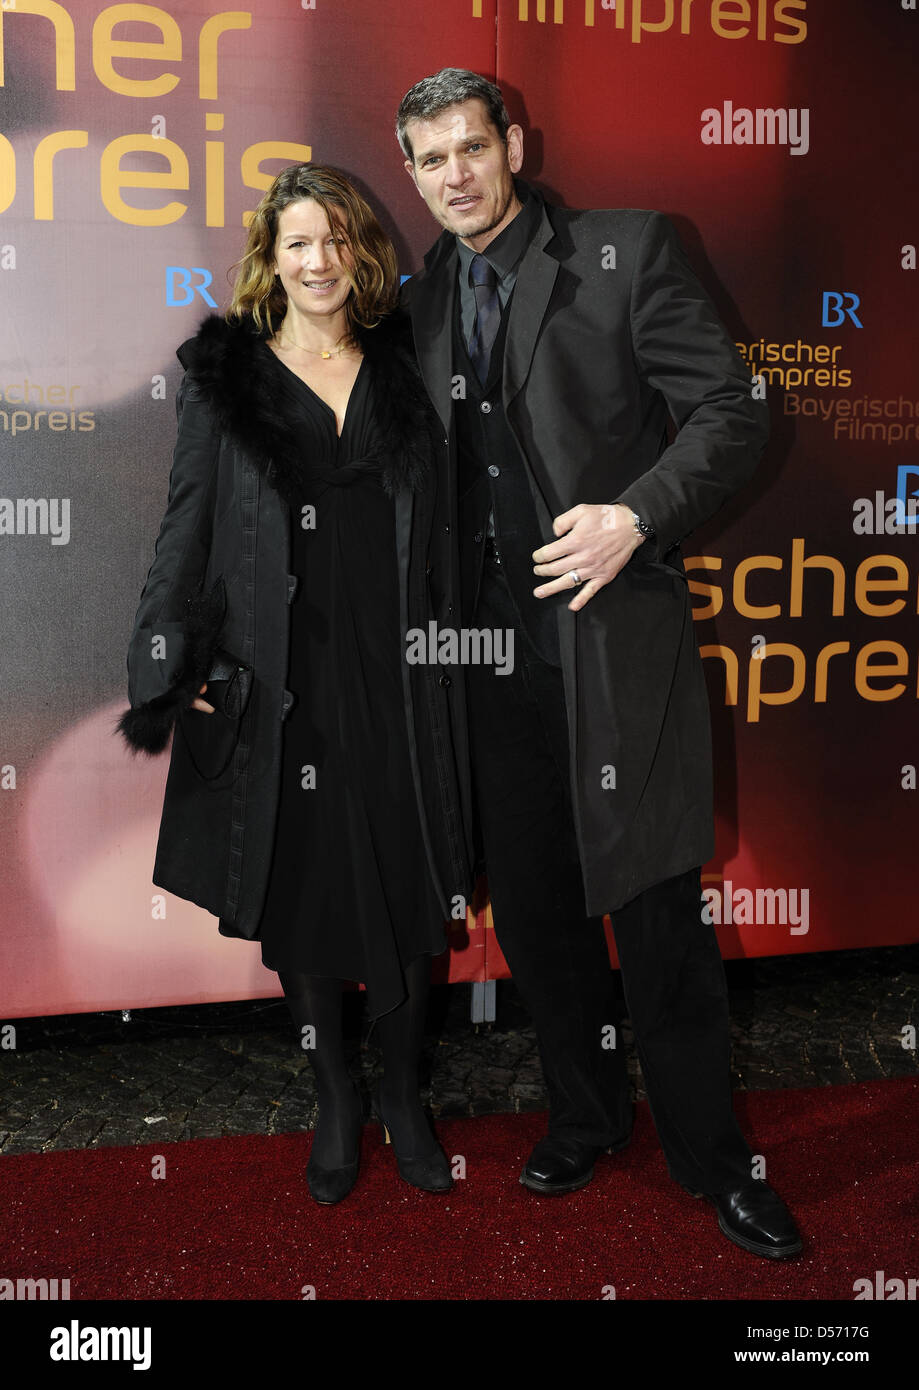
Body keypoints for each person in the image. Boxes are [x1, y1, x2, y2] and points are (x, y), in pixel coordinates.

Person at [395, 68, 802, 1259]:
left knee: (657, 913)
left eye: (473, 148)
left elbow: (730, 410)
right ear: (411, 171)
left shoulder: (627, 250)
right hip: (483, 663)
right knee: (532, 910)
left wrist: (633, 516)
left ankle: (715, 1162)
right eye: (430, 160)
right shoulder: (421, 301)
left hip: (612, 646)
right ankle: (584, 1111)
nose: (455, 176)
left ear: (512, 143)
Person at [116, 163, 474, 1206]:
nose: (319, 262)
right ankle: (337, 1098)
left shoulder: (411, 366)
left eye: (337, 241)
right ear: (271, 261)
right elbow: (186, 525)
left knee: (413, 894)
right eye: (297, 244)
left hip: (406, 673)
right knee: (302, 893)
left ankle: (403, 1094)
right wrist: (161, 653)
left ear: (364, 254)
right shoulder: (228, 382)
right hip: (285, 676)